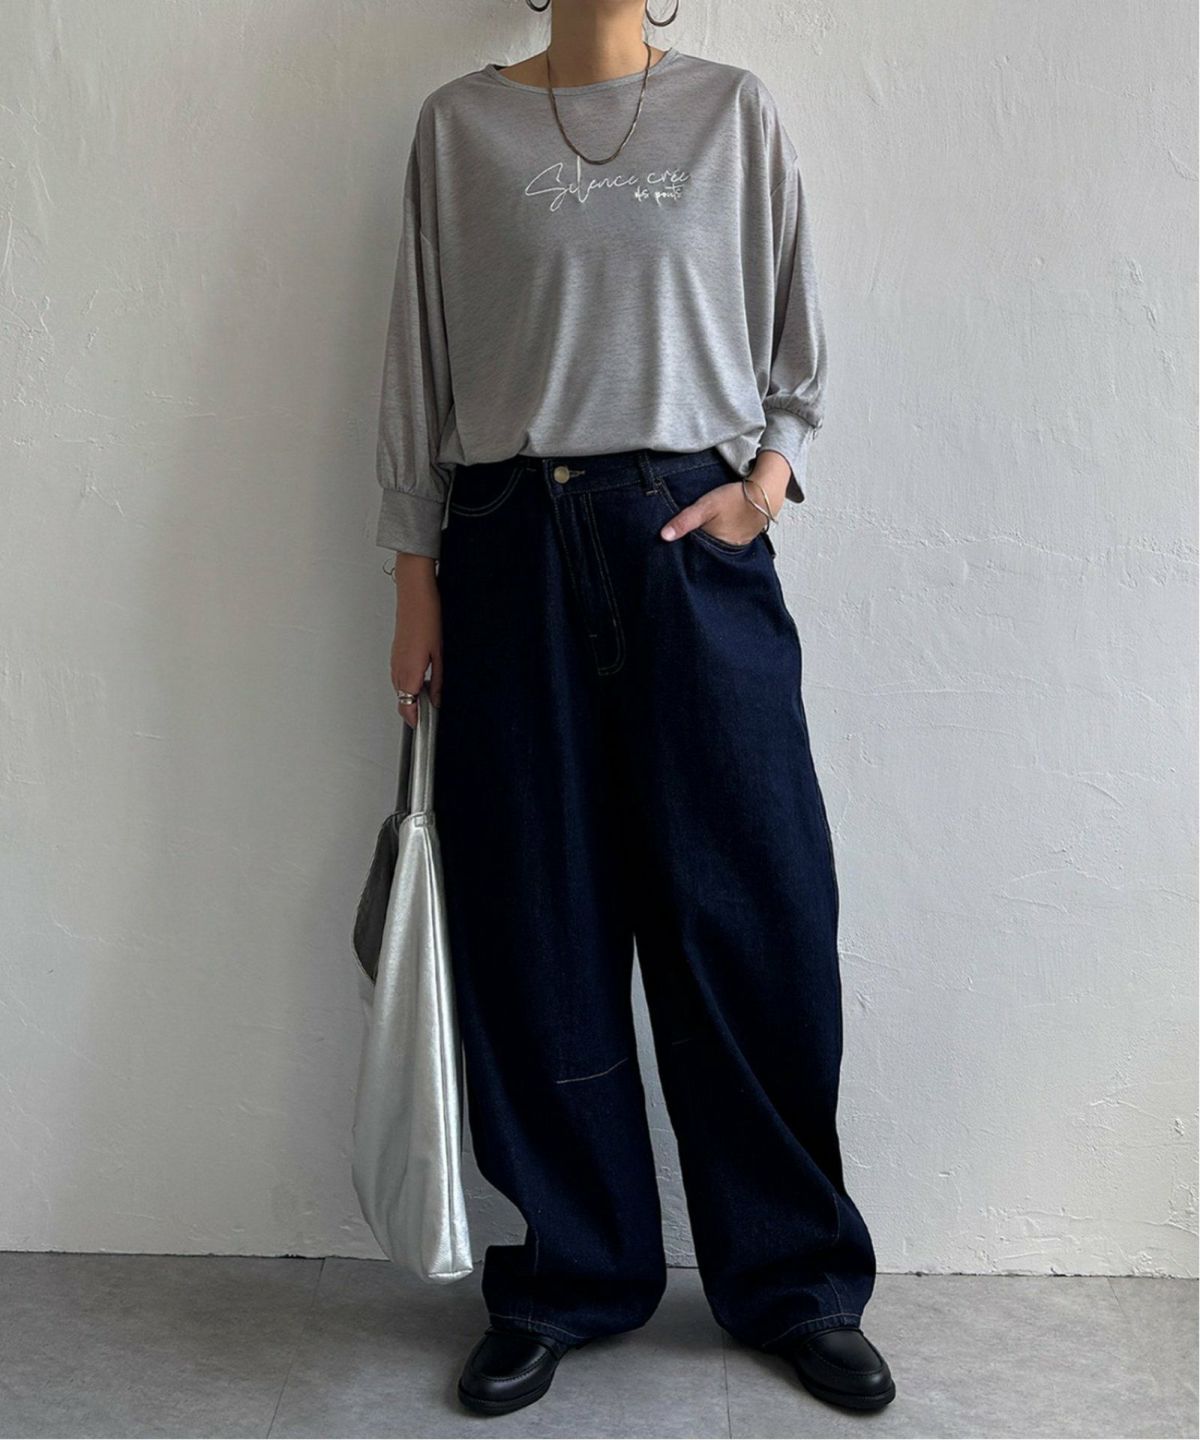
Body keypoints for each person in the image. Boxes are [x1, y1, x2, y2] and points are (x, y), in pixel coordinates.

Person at [372, 0, 895, 1417]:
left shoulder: (732, 112)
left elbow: (796, 335)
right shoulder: (459, 130)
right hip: (506, 546)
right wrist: (415, 574)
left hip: (688, 536)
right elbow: (418, 361)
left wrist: (766, 482)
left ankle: (795, 1278)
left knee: (753, 910)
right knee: (536, 922)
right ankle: (568, 1274)